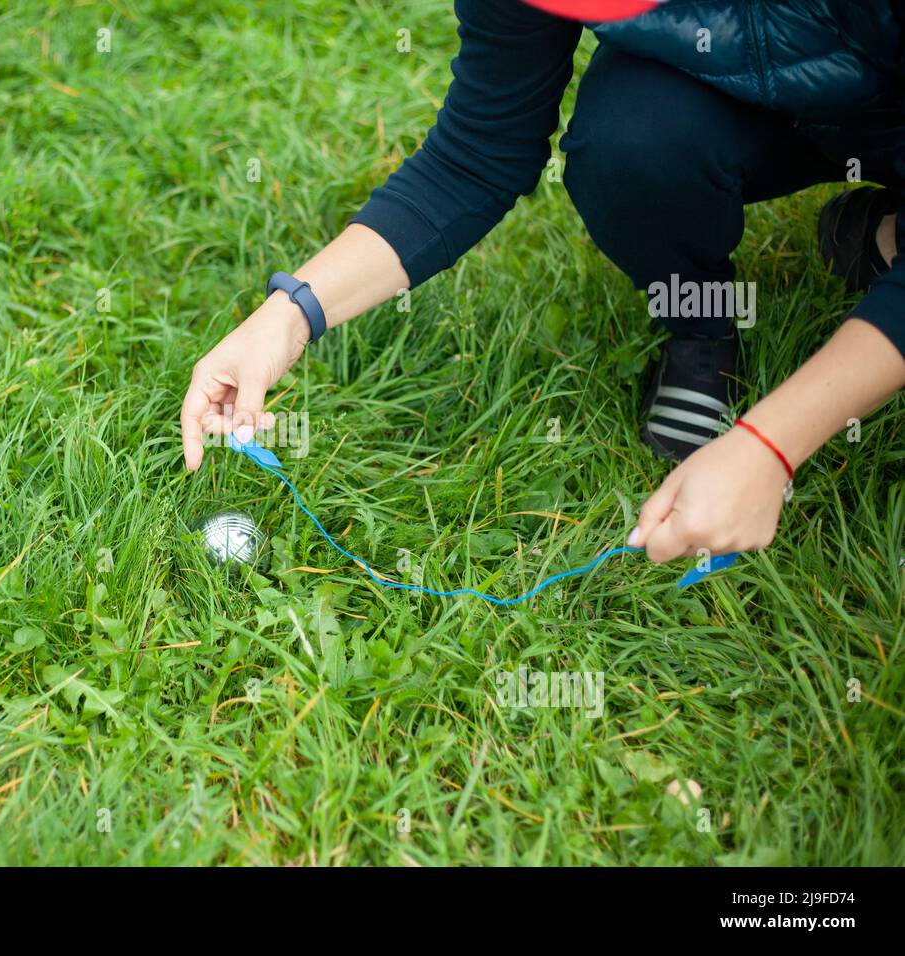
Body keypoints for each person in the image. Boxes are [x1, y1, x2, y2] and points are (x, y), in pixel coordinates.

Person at [178, 0, 905, 565]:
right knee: (631, 137)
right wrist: (289, 315)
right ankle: (705, 326)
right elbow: (477, 153)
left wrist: (771, 445)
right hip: (779, 106)